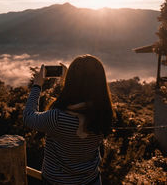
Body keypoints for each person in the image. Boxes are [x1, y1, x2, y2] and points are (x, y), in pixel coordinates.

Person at [23, 55, 114, 185]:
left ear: (71, 81)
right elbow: (77, 103)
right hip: (91, 180)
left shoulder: (57, 118)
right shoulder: (103, 113)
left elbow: (28, 117)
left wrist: (37, 86)